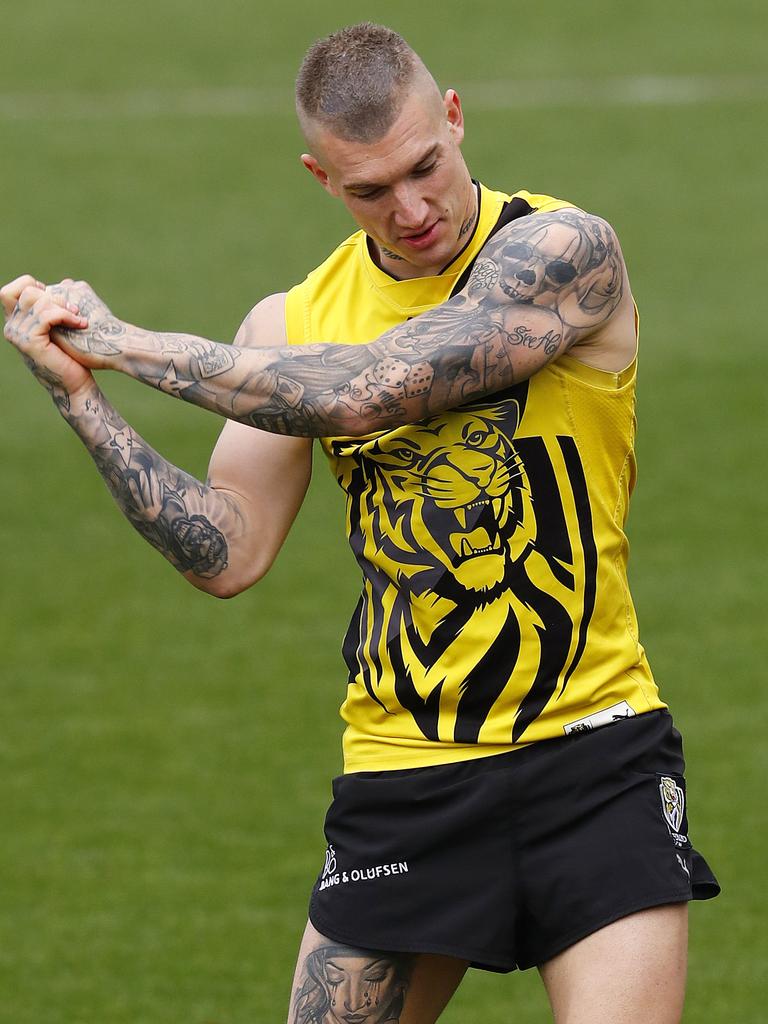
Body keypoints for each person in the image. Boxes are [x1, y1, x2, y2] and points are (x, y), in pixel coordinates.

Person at [2, 22, 719, 1024]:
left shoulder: (562, 251)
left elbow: (370, 391)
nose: (413, 207)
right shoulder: (289, 324)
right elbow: (228, 547)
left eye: (426, 166)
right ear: (321, 179)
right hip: (405, 775)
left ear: (456, 118)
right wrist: (82, 396)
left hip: (593, 757)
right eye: (372, 189)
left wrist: (123, 340)